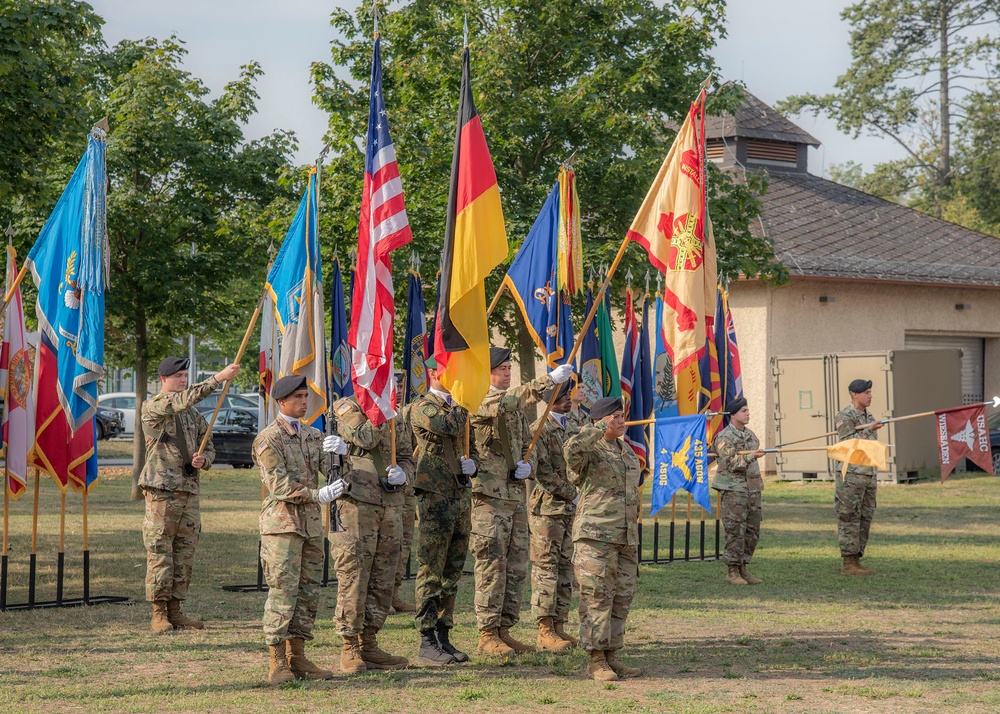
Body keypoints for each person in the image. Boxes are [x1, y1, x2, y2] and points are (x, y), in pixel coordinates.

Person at [469, 347, 573, 656]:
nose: (506, 371)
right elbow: (510, 401)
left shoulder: (511, 406)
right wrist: (546, 381)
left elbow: (522, 442)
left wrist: (524, 463)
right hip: (489, 499)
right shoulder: (481, 399)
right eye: (500, 368)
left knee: (514, 569)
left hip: (513, 496)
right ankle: (487, 634)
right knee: (491, 566)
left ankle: (504, 629)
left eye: (508, 367)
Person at [254, 374, 348, 684]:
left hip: (309, 525)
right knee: (283, 591)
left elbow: (329, 470)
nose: (305, 402)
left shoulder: (312, 435)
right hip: (282, 524)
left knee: (308, 592)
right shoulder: (269, 438)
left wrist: (340, 454)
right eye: (298, 397)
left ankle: (298, 655)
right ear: (282, 402)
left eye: (306, 396)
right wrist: (315, 494)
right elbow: (278, 484)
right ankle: (277, 659)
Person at [139, 356, 240, 633]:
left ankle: (176, 610)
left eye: (185, 376)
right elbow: (182, 400)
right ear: (164, 379)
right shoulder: (156, 405)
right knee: (160, 550)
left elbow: (209, 447)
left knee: (184, 553)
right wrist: (218, 378)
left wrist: (203, 461)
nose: (182, 381)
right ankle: (158, 612)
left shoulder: (193, 416)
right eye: (178, 377)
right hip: (162, 490)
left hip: (188, 490)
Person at [329, 394, 413, 672]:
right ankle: (349, 645)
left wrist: (405, 473)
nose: (394, 387)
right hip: (356, 505)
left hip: (391, 504)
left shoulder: (393, 414)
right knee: (355, 574)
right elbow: (364, 437)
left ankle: (370, 642)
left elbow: (405, 455)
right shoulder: (346, 407)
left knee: (384, 575)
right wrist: (382, 411)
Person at [564, 397, 642, 682]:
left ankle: (611, 655)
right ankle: (595, 659)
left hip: (624, 536)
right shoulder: (589, 447)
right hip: (595, 536)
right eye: (616, 417)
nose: (621, 421)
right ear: (601, 420)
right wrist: (596, 428)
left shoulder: (626, 451)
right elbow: (571, 452)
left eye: (622, 416)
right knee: (596, 597)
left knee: (621, 598)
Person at [409, 357, 478, 665]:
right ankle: (426, 639)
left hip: (460, 496)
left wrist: (473, 463)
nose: (457, 377)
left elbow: (470, 445)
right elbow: (447, 426)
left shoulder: (459, 410)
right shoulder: (423, 406)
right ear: (434, 373)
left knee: (452, 572)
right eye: (453, 371)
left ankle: (443, 635)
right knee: (431, 570)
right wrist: (465, 400)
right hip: (435, 498)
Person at [528, 380, 579, 651]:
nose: (567, 399)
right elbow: (542, 472)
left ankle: (560, 625)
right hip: (548, 509)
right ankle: (544, 629)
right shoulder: (539, 430)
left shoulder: (572, 426)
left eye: (568, 394)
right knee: (546, 569)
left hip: (569, 509)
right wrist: (571, 492)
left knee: (564, 568)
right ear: (548, 399)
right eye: (561, 396)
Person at [711, 397, 767, 586]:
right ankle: (732, 570)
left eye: (748, 410)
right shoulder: (724, 438)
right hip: (734, 490)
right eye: (743, 410)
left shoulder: (751, 436)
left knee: (752, 531)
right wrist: (752, 456)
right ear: (733, 414)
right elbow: (732, 463)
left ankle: (744, 567)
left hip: (752, 490)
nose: (748, 413)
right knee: (735, 530)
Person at [834, 378, 884, 576]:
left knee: (865, 516)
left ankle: (857, 559)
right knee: (849, 516)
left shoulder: (868, 415)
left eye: (870, 392)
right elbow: (846, 442)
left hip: (867, 473)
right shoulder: (845, 416)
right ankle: (848, 562)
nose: (870, 396)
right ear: (855, 394)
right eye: (867, 392)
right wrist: (869, 431)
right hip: (851, 474)